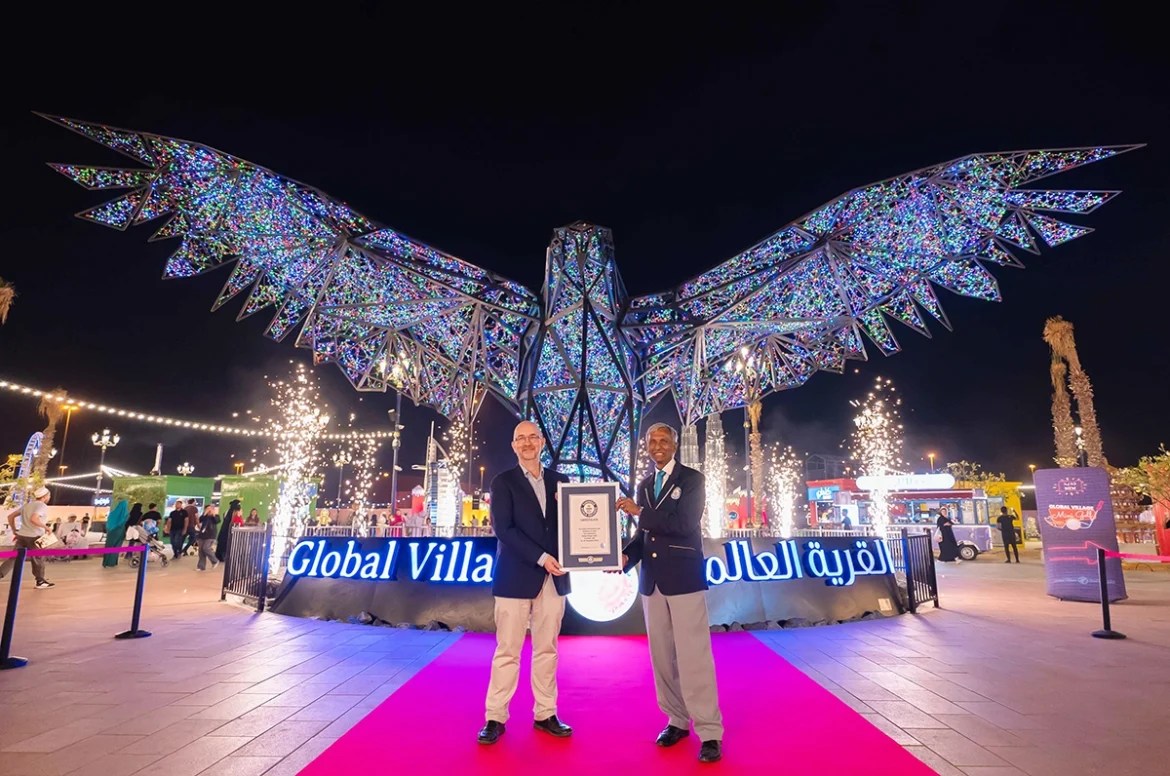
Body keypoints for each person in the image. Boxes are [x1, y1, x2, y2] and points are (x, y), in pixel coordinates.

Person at [615, 423, 723, 763]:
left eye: (664, 440)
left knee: (694, 657)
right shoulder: (646, 484)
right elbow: (644, 536)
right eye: (652, 442)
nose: (658, 446)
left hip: (684, 578)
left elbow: (683, 524)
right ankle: (676, 720)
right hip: (653, 583)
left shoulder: (693, 479)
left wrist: (639, 512)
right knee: (661, 657)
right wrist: (625, 557)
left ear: (675, 444)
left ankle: (709, 730)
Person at [478, 420, 572, 746]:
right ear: (514, 445)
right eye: (521, 438)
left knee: (547, 650)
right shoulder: (502, 483)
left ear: (542, 442)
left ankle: (546, 713)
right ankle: (495, 716)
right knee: (507, 652)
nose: (527, 443)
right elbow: (504, 529)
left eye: (533, 437)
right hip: (515, 578)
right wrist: (542, 556)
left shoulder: (562, 482)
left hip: (553, 578)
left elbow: (574, 527)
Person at [0, 486, 55, 589]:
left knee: (13, 558)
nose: (49, 497)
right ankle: (40, 582)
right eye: (49, 495)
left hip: (22, 536)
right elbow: (34, 519)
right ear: (45, 496)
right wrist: (46, 528)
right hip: (36, 536)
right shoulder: (42, 506)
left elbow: (10, 516)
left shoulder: (27, 505)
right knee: (39, 558)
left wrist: (14, 529)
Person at [102, 500, 130, 568]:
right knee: (116, 547)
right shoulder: (125, 514)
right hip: (119, 531)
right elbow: (121, 523)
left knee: (109, 545)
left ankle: (106, 562)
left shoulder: (112, 513)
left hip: (111, 531)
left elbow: (108, 523)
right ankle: (112, 562)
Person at [196, 505, 220, 571]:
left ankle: (215, 560)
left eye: (210, 509)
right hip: (202, 535)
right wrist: (205, 513)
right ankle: (201, 567)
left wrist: (213, 514)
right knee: (201, 551)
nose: (209, 510)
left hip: (211, 535)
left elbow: (217, 521)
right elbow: (200, 520)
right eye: (207, 509)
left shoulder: (215, 516)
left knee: (206, 548)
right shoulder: (205, 516)